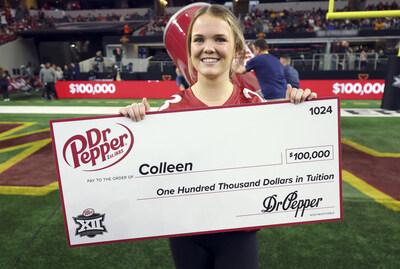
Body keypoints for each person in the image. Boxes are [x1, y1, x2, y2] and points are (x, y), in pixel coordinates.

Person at [119, 5, 316, 269]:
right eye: (199, 39)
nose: (208, 47)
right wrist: (132, 127)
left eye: (220, 39)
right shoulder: (169, 110)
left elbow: (292, 161)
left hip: (239, 232)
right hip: (185, 233)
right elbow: (144, 175)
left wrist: (300, 115)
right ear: (189, 50)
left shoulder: (256, 106)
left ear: (237, 52)